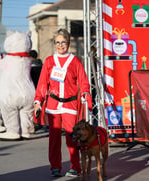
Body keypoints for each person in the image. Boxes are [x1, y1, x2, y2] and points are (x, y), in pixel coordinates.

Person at [33, 28, 92, 177]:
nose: (60, 45)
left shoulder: (75, 61)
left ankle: (75, 167)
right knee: (54, 139)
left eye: (63, 42)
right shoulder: (49, 61)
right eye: (57, 42)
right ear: (54, 44)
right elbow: (42, 84)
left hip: (70, 105)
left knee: (72, 137)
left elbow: (83, 81)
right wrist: (38, 101)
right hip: (53, 105)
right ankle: (55, 167)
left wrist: (85, 94)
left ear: (68, 43)